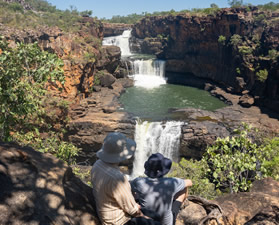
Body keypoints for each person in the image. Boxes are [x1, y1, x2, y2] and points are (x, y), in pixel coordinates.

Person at [91, 132, 161, 225]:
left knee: (155, 215)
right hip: (119, 221)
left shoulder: (97, 164)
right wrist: (144, 217)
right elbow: (132, 210)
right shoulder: (117, 178)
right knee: (156, 220)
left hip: (106, 213)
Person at [131, 153, 193, 225]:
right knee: (183, 187)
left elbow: (130, 190)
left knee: (135, 191)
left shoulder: (139, 182)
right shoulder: (172, 182)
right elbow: (190, 182)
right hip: (166, 222)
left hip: (145, 219)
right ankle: (180, 206)